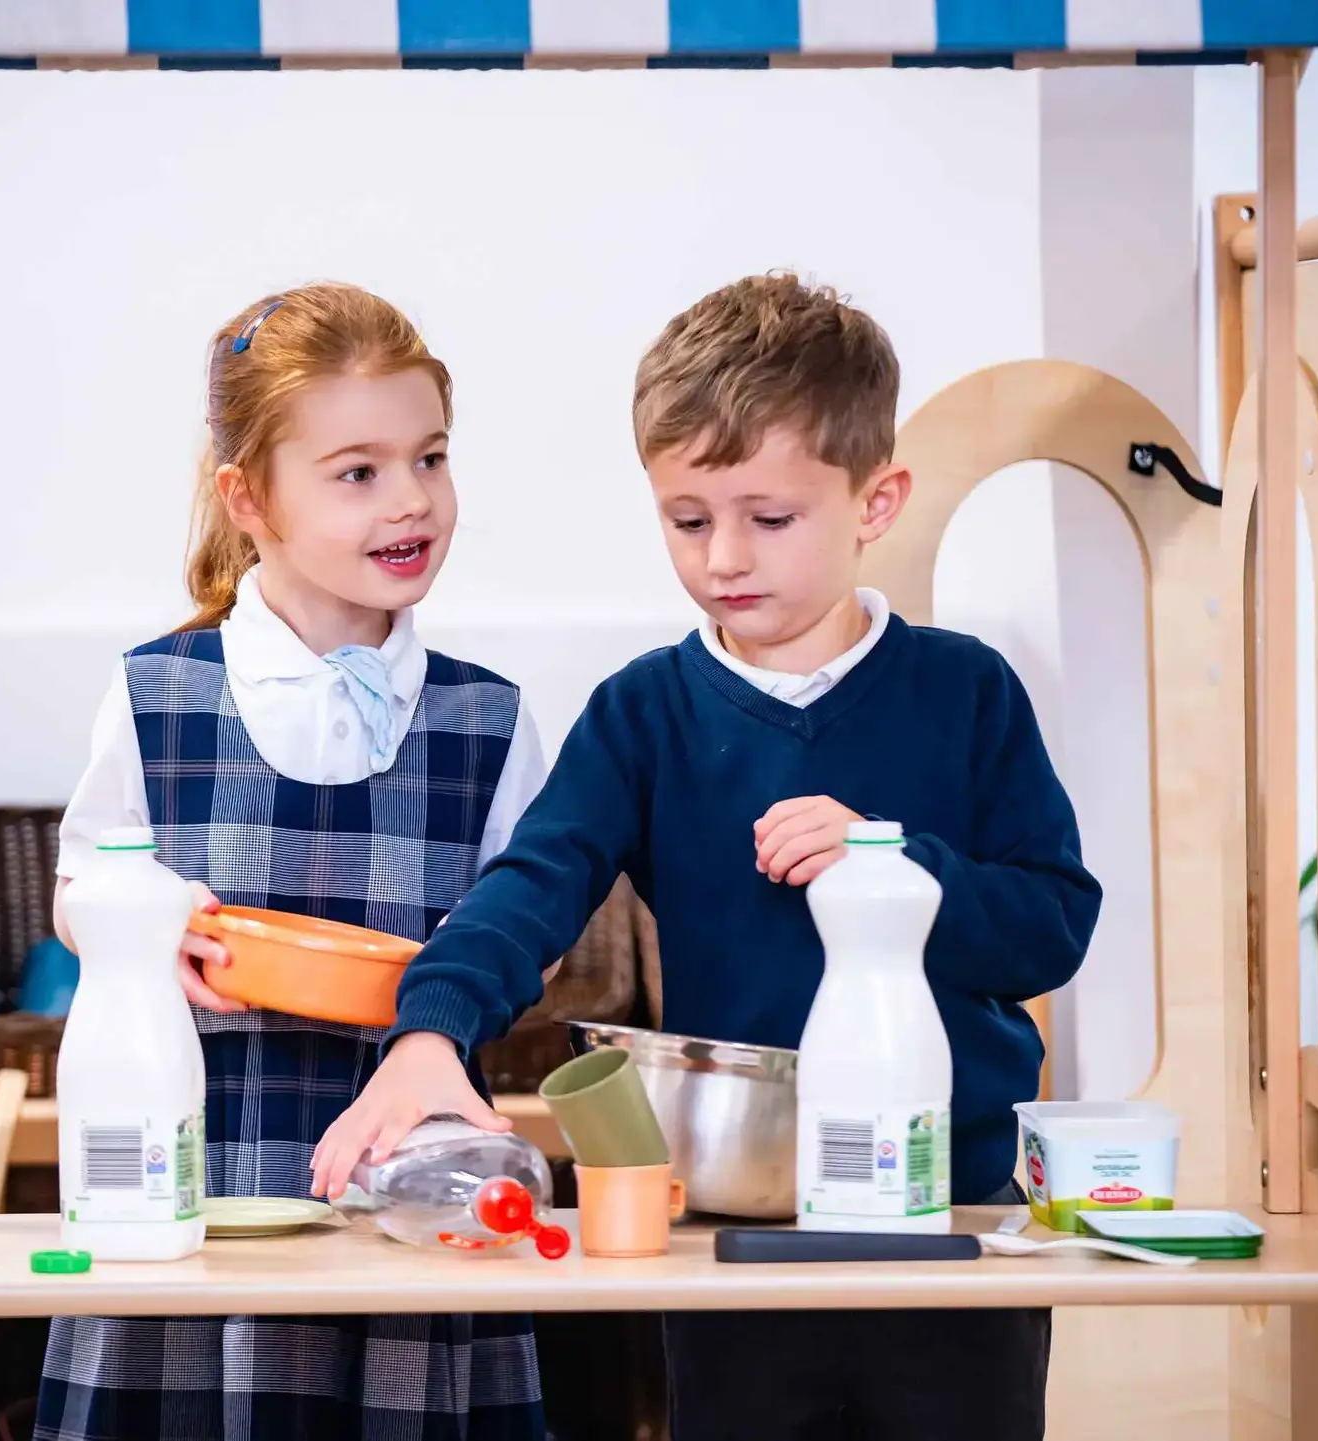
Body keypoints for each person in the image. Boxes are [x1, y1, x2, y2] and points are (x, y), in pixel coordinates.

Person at [312, 273, 1102, 1440]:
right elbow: (529, 890)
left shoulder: (968, 689)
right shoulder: (644, 715)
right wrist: (432, 1031)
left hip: (953, 1219)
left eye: (768, 517)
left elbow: (1051, 921)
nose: (724, 555)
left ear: (876, 501)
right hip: (730, 1239)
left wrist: (898, 862)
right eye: (688, 519)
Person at [36, 282, 548, 1441]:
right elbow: (80, 881)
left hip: (410, 1187)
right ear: (250, 498)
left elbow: (532, 929)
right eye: (358, 472)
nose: (411, 499)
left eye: (430, 457)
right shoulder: (155, 692)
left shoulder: (490, 718)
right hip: (200, 1177)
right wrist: (144, 921)